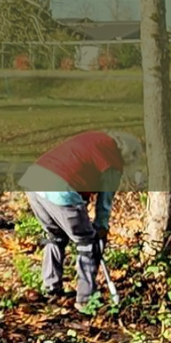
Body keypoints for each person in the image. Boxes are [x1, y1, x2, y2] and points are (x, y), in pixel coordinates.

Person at [19, 128, 142, 309]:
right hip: (60, 188)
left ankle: (51, 287)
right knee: (88, 243)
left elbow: (77, 165)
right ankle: (86, 299)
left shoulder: (95, 138)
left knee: (55, 237)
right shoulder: (113, 161)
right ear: (129, 155)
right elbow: (104, 204)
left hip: (34, 180)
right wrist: (100, 229)